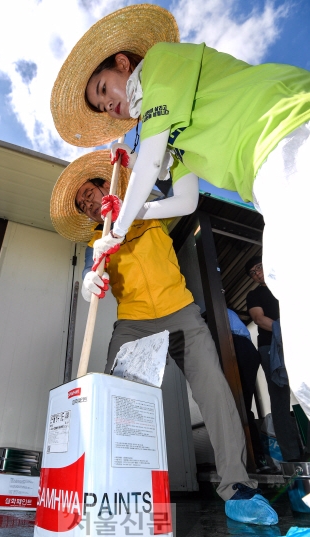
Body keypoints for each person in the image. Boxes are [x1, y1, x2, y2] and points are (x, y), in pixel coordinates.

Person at [51, 3, 310, 419]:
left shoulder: (159, 64)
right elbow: (185, 201)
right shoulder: (173, 134)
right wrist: (130, 218)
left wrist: (117, 224)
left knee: (297, 281)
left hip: (288, 129)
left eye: (103, 90)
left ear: (122, 63)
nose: (107, 107)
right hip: (265, 174)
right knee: (292, 285)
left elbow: (149, 160)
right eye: (100, 108)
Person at [50, 149, 278, 526]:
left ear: (110, 185)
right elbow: (92, 287)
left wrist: (133, 169)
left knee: (215, 392)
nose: (91, 204)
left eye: (93, 193)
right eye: (84, 205)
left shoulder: (152, 210)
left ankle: (237, 487)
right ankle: (106, 484)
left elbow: (177, 190)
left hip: (182, 314)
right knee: (113, 398)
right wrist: (91, 280)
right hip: (134, 323)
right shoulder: (99, 239)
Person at [245, 256, 302, 462]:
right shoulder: (254, 295)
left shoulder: (286, 285)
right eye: (253, 272)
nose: (257, 273)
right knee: (279, 399)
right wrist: (287, 329)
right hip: (270, 347)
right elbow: (259, 319)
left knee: (305, 390)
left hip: (296, 343)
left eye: (258, 267)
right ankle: (293, 457)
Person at [227, 308, 274, 474]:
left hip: (236, 348)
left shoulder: (216, 313)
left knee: (238, 407)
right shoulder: (230, 313)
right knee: (243, 406)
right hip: (247, 350)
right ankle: (258, 460)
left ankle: (253, 460)